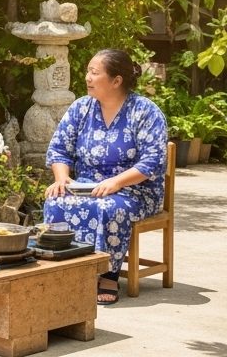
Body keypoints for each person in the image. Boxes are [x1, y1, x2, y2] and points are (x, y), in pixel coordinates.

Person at [43, 48, 167, 306]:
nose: (87, 77)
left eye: (94, 72)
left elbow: (152, 161)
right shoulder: (81, 108)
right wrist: (62, 178)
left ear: (116, 80)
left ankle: (108, 274)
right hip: (86, 186)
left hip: (135, 190)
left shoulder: (145, 112)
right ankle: (66, 269)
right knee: (55, 200)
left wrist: (116, 182)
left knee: (110, 208)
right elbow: (59, 148)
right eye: (88, 71)